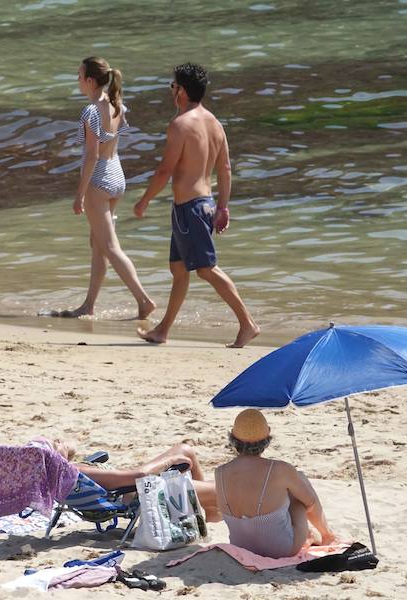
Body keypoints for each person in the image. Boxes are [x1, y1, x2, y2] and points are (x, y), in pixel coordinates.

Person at [133, 63, 259, 348]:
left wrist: (144, 200)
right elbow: (225, 168)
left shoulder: (180, 125)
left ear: (182, 91)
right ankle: (162, 330)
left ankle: (247, 323)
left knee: (206, 269)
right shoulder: (215, 123)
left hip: (190, 208)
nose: (171, 92)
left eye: (172, 86)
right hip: (202, 205)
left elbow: (165, 170)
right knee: (178, 268)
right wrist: (223, 208)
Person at [61, 56, 155, 320]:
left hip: (98, 180)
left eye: (79, 77)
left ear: (90, 81)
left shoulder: (90, 111)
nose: (78, 81)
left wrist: (80, 194)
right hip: (117, 175)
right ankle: (89, 304)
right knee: (98, 243)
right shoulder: (117, 106)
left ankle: (144, 300)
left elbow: (91, 156)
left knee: (110, 247)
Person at [215, 409, 336, 558]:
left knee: (280, 494)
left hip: (240, 546)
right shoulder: (280, 469)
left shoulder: (220, 472)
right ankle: (327, 535)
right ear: (267, 437)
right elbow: (310, 502)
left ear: (233, 438)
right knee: (299, 485)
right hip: (281, 549)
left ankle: (309, 534)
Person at [46, 437, 220, 521]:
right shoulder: (76, 471)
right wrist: (170, 461)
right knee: (220, 488)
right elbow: (140, 475)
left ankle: (209, 510)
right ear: (55, 457)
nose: (60, 440)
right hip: (139, 492)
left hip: (131, 488)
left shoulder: (65, 473)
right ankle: (211, 507)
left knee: (185, 449)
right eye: (56, 444)